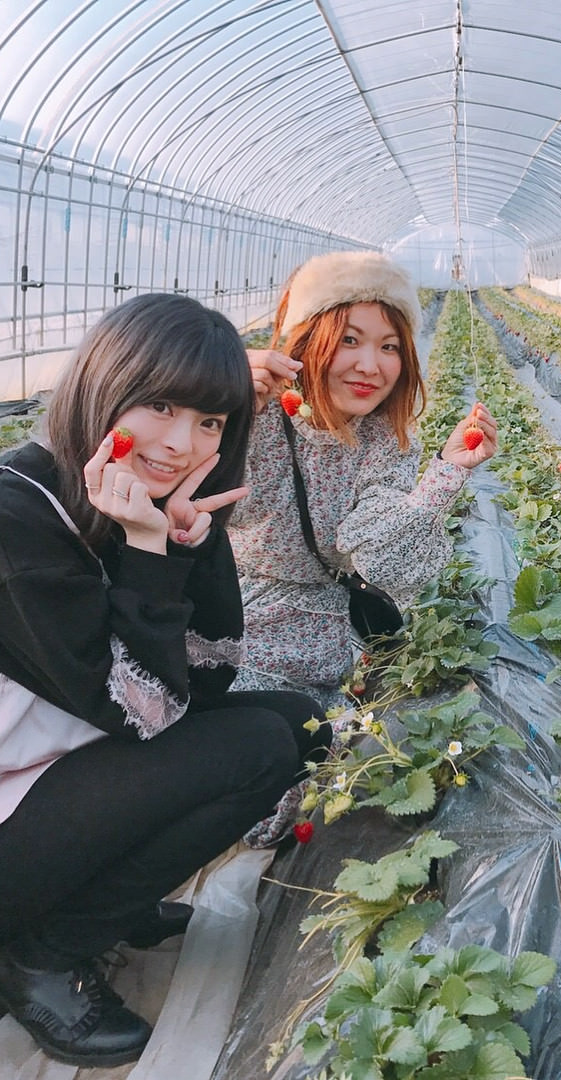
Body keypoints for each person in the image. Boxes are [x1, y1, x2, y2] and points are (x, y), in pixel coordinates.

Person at [0, 293, 330, 1067]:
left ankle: (101, 901)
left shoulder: (125, 499)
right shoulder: (17, 517)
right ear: (102, 383)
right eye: (159, 405)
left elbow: (206, 681)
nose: (182, 443)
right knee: (252, 748)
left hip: (49, 775)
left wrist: (188, 547)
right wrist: (149, 553)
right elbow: (142, 713)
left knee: (296, 724)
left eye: (210, 422)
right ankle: (42, 956)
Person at [229, 251, 497, 708]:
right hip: (230, 633)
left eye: (389, 346)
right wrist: (217, 407)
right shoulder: (250, 413)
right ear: (307, 341)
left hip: (328, 644)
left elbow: (382, 560)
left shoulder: (384, 440)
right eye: (349, 340)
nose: (370, 366)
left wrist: (447, 471)